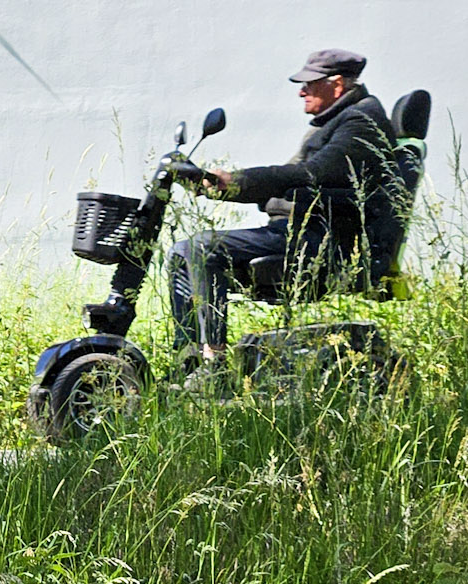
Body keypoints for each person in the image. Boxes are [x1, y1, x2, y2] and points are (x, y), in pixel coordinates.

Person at [166, 48, 396, 365]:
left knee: (199, 250)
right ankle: (187, 360)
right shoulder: (338, 121)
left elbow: (310, 175)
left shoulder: (361, 122)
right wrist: (222, 188)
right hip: (303, 231)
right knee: (184, 252)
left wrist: (236, 181)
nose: (302, 91)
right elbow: (293, 183)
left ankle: (211, 363)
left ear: (337, 84)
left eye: (310, 84)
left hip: (320, 240)